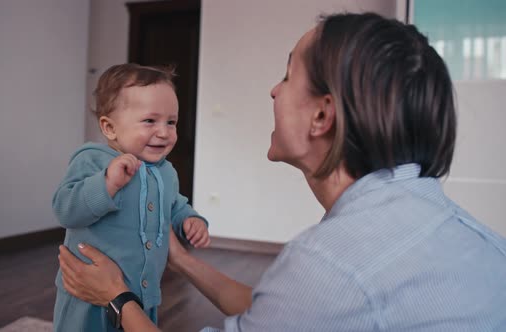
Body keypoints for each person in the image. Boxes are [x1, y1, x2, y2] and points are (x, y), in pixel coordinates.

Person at [58, 12, 506, 331]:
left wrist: (117, 297)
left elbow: (319, 292)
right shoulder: (464, 233)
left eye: (288, 74)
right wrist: (182, 260)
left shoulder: (331, 265)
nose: (274, 90)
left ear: (322, 116)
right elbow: (279, 311)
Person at [52, 63, 211, 331]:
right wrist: (107, 184)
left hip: (141, 295)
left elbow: (175, 206)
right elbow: (65, 210)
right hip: (86, 295)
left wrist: (190, 220)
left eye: (171, 122)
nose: (164, 132)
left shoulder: (166, 171)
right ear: (110, 127)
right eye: (150, 120)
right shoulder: (92, 159)